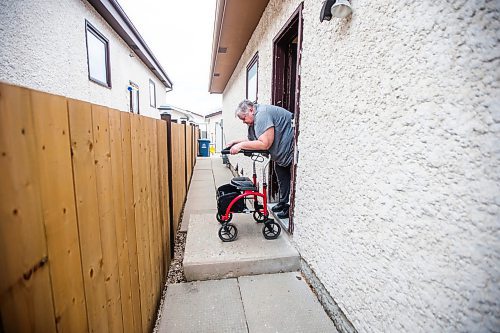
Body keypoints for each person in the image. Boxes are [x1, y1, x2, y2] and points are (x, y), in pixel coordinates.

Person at [227, 99, 293, 219]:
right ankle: (284, 203)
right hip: (281, 156)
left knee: (290, 180)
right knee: (282, 179)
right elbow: (253, 140)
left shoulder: (262, 115)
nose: (244, 122)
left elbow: (264, 144)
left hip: (290, 152)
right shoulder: (255, 119)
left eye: (244, 118)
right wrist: (235, 142)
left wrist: (240, 146)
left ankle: (288, 207)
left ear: (251, 110)